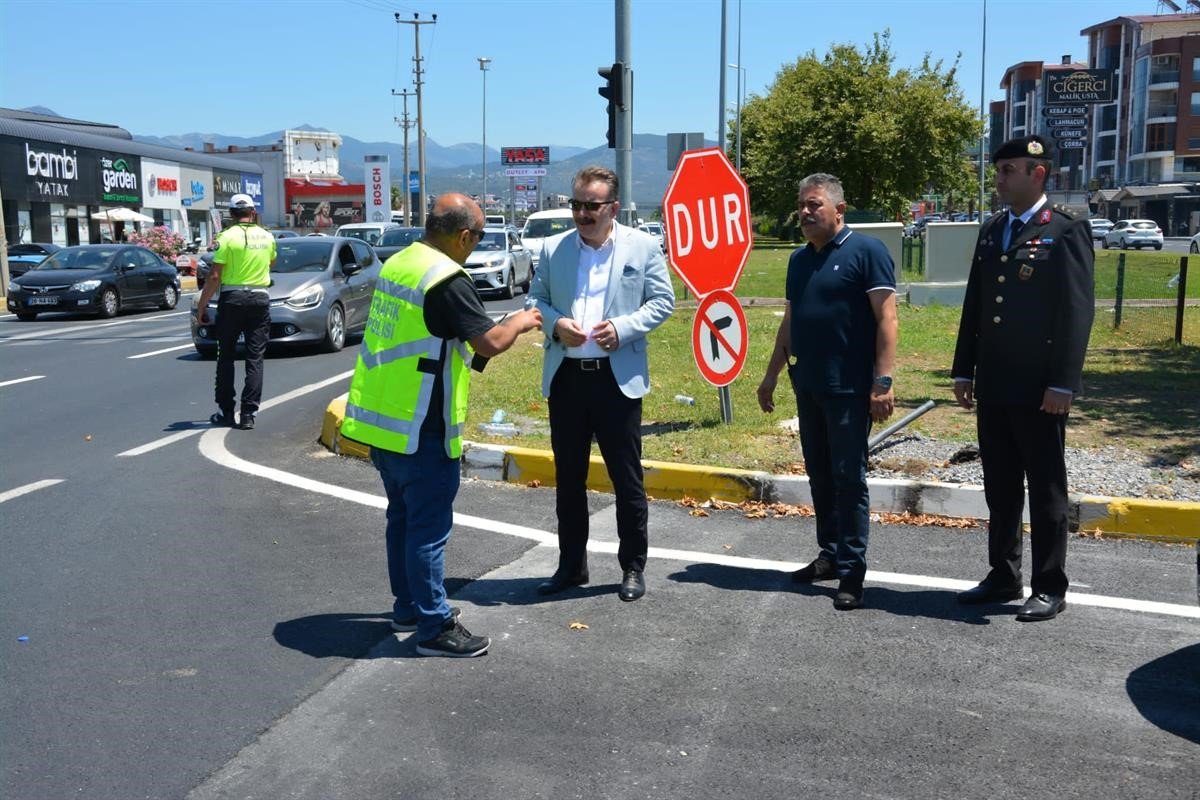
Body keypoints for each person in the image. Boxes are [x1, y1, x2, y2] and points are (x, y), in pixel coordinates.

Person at [341, 193, 542, 657]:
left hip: (384, 423)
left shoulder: (403, 261)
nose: (473, 248)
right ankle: (433, 627)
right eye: (474, 240)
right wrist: (523, 320)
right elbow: (489, 342)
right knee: (428, 530)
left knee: (402, 520)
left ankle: (407, 606)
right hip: (421, 426)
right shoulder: (446, 279)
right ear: (463, 235)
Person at [951, 135, 1094, 622]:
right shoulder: (993, 230)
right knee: (1001, 485)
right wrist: (962, 369)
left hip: (1039, 389)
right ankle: (1003, 574)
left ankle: (1050, 584)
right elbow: (976, 304)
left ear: (1038, 173)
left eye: (1009, 169)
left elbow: (1077, 313)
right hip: (995, 383)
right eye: (1000, 169)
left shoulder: (1066, 231)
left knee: (1047, 487)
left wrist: (1064, 383)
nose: (1000, 178)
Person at [527, 165, 674, 602]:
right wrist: (555, 325)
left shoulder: (643, 246)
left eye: (592, 206)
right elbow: (535, 300)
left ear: (612, 207)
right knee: (568, 480)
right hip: (568, 379)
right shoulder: (554, 248)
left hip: (616, 382)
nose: (582, 213)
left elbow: (663, 301)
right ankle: (571, 566)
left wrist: (624, 327)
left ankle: (632, 567)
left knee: (627, 480)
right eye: (576, 204)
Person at [756, 173, 898, 611]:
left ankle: (853, 570)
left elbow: (887, 319)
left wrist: (883, 381)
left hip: (850, 388)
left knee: (848, 478)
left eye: (814, 204)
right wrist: (771, 374)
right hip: (810, 384)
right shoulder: (800, 260)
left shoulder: (867, 251)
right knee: (819, 474)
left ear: (839, 209)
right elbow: (791, 321)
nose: (805, 212)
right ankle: (831, 554)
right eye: (802, 204)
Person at [196, 193, 276, 431]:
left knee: (226, 356)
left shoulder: (226, 237)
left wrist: (202, 305)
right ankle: (249, 413)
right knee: (255, 357)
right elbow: (270, 263)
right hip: (260, 298)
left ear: (231, 215)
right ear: (253, 212)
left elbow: (215, 275)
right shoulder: (267, 237)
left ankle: (226, 412)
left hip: (232, 299)